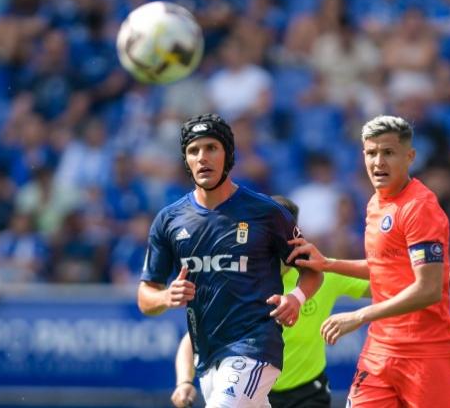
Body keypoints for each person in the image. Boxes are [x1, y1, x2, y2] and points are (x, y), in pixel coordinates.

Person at [171, 195, 450, 408]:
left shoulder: (320, 272)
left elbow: (393, 284)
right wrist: (185, 382)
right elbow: (193, 339)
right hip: (252, 392)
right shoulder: (236, 281)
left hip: (307, 393)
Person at [137, 113, 323, 408]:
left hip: (255, 346)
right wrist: (165, 296)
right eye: (194, 150)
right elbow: (145, 297)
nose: (202, 157)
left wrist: (297, 298)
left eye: (211, 147)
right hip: (208, 359)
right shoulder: (168, 220)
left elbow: (312, 272)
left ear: (228, 155)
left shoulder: (266, 212)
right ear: (186, 160)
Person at [287, 115, 450, 407]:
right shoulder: (376, 203)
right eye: (371, 153)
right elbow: (385, 267)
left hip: (426, 354)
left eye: (388, 153)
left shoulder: (420, 208)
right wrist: (328, 263)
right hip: (380, 349)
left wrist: (360, 315)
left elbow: (428, 289)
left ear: (409, 156)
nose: (378, 162)